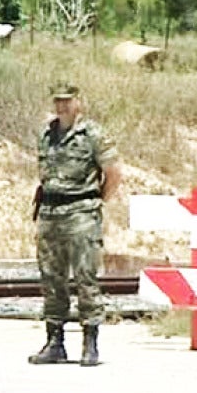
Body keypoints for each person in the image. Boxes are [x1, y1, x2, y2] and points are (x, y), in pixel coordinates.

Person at [28, 82, 121, 367]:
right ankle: (54, 342)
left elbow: (113, 174)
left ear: (78, 102)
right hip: (50, 212)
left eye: (67, 101)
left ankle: (90, 341)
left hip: (81, 211)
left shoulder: (92, 134)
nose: (62, 106)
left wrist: (95, 202)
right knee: (51, 278)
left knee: (85, 277)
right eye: (57, 101)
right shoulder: (47, 134)